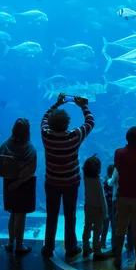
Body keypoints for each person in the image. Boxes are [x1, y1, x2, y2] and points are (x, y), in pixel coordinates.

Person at [41, 93, 95, 259]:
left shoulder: (46, 135)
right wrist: (83, 106)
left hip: (52, 182)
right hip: (71, 182)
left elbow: (44, 118)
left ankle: (48, 247)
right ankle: (71, 247)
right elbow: (90, 122)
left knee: (51, 215)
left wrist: (57, 103)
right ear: (67, 124)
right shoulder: (74, 136)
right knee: (70, 215)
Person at [112, 126, 136, 270]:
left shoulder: (118, 153)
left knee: (120, 228)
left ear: (126, 138)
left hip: (122, 195)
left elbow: (117, 166)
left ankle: (117, 259)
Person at [0, 118, 37, 256]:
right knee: (20, 216)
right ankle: (19, 246)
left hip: (8, 184)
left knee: (13, 214)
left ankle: (10, 243)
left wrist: (12, 181)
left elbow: (1, 166)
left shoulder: (5, 145)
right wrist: (19, 181)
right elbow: (32, 169)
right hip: (24, 185)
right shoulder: (30, 148)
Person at [81, 154, 109, 260]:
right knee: (97, 231)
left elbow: (87, 166)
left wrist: (90, 159)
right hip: (98, 209)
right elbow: (102, 198)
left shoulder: (86, 177)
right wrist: (105, 213)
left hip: (88, 206)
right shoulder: (98, 181)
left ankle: (86, 248)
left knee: (87, 227)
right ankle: (97, 251)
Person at [100, 164, 115, 249]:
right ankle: (114, 243)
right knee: (114, 226)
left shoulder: (105, 182)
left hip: (106, 207)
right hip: (113, 207)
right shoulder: (115, 182)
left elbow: (103, 195)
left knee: (105, 226)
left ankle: (102, 243)